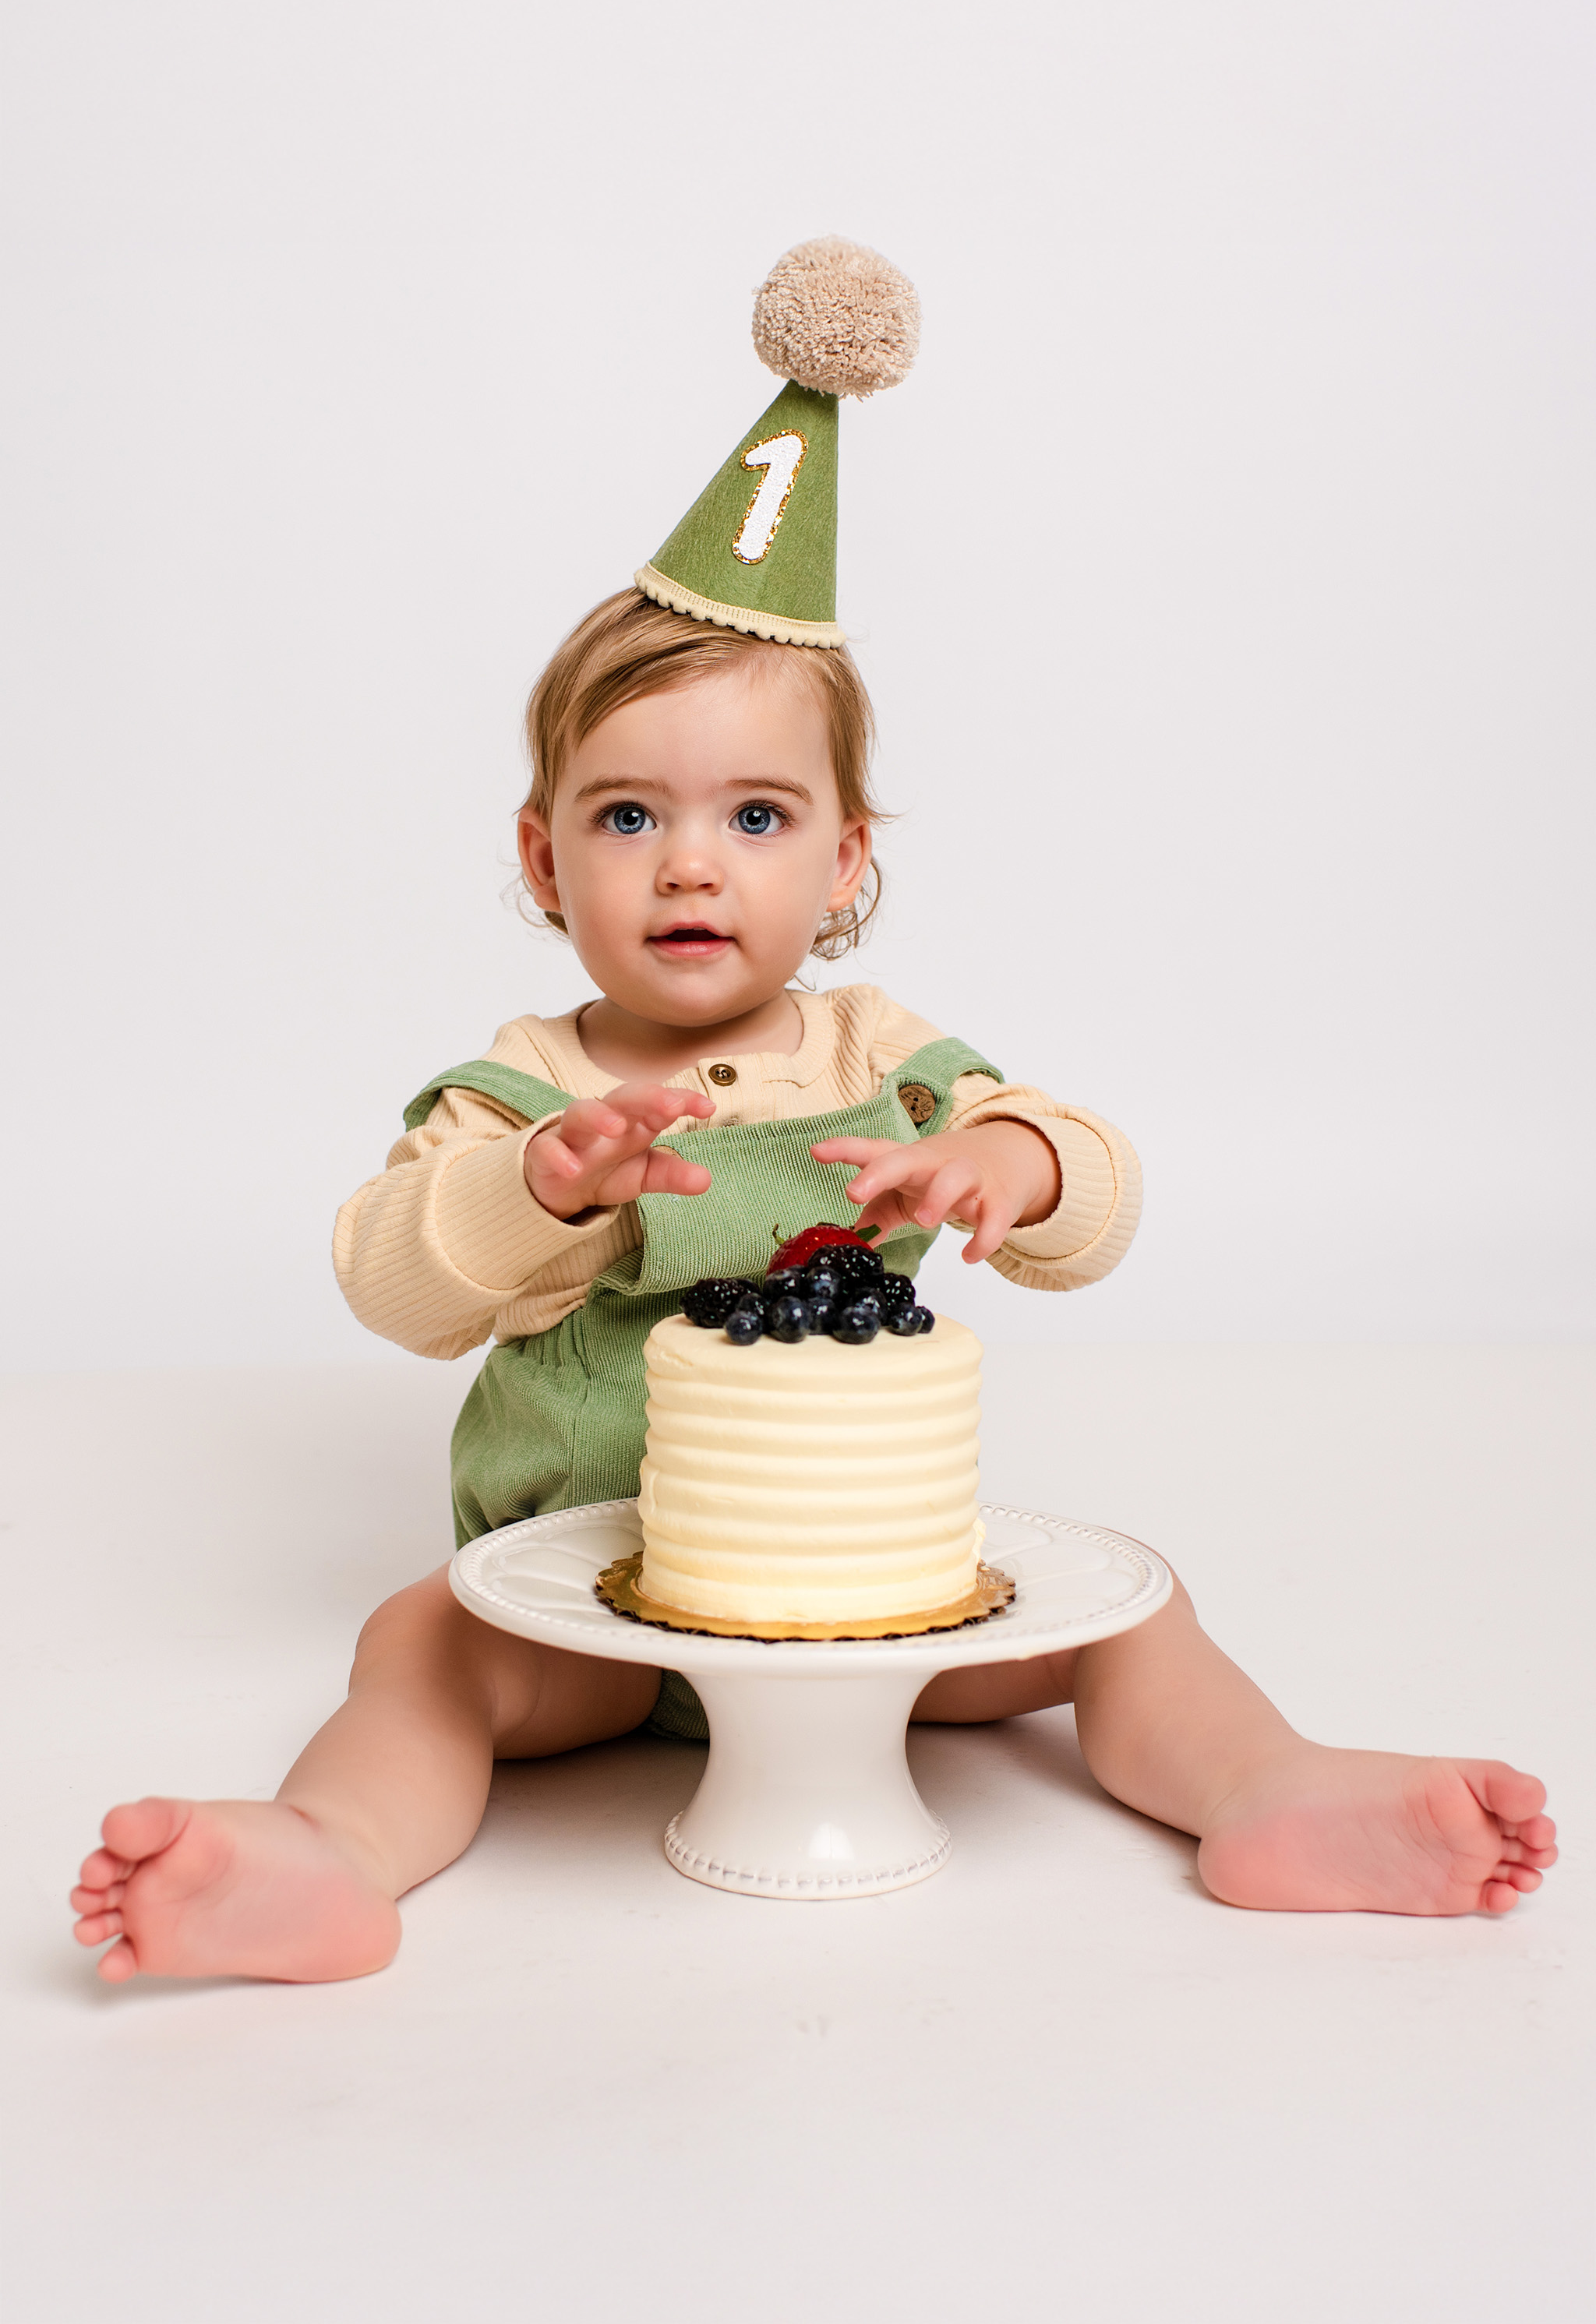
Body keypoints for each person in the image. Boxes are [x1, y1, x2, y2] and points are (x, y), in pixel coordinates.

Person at [70, 244, 1555, 1983]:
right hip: (587, 1610)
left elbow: (1100, 1198)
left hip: (863, 1624)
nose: (691, 860)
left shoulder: (883, 1055)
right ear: (544, 859)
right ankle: (327, 1855)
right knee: (417, 1652)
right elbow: (388, 1284)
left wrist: (999, 1163)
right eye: (627, 817)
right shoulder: (526, 1083)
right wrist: (537, 1192)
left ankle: (1268, 1788)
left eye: (758, 817)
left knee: (1134, 1622)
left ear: (848, 861)